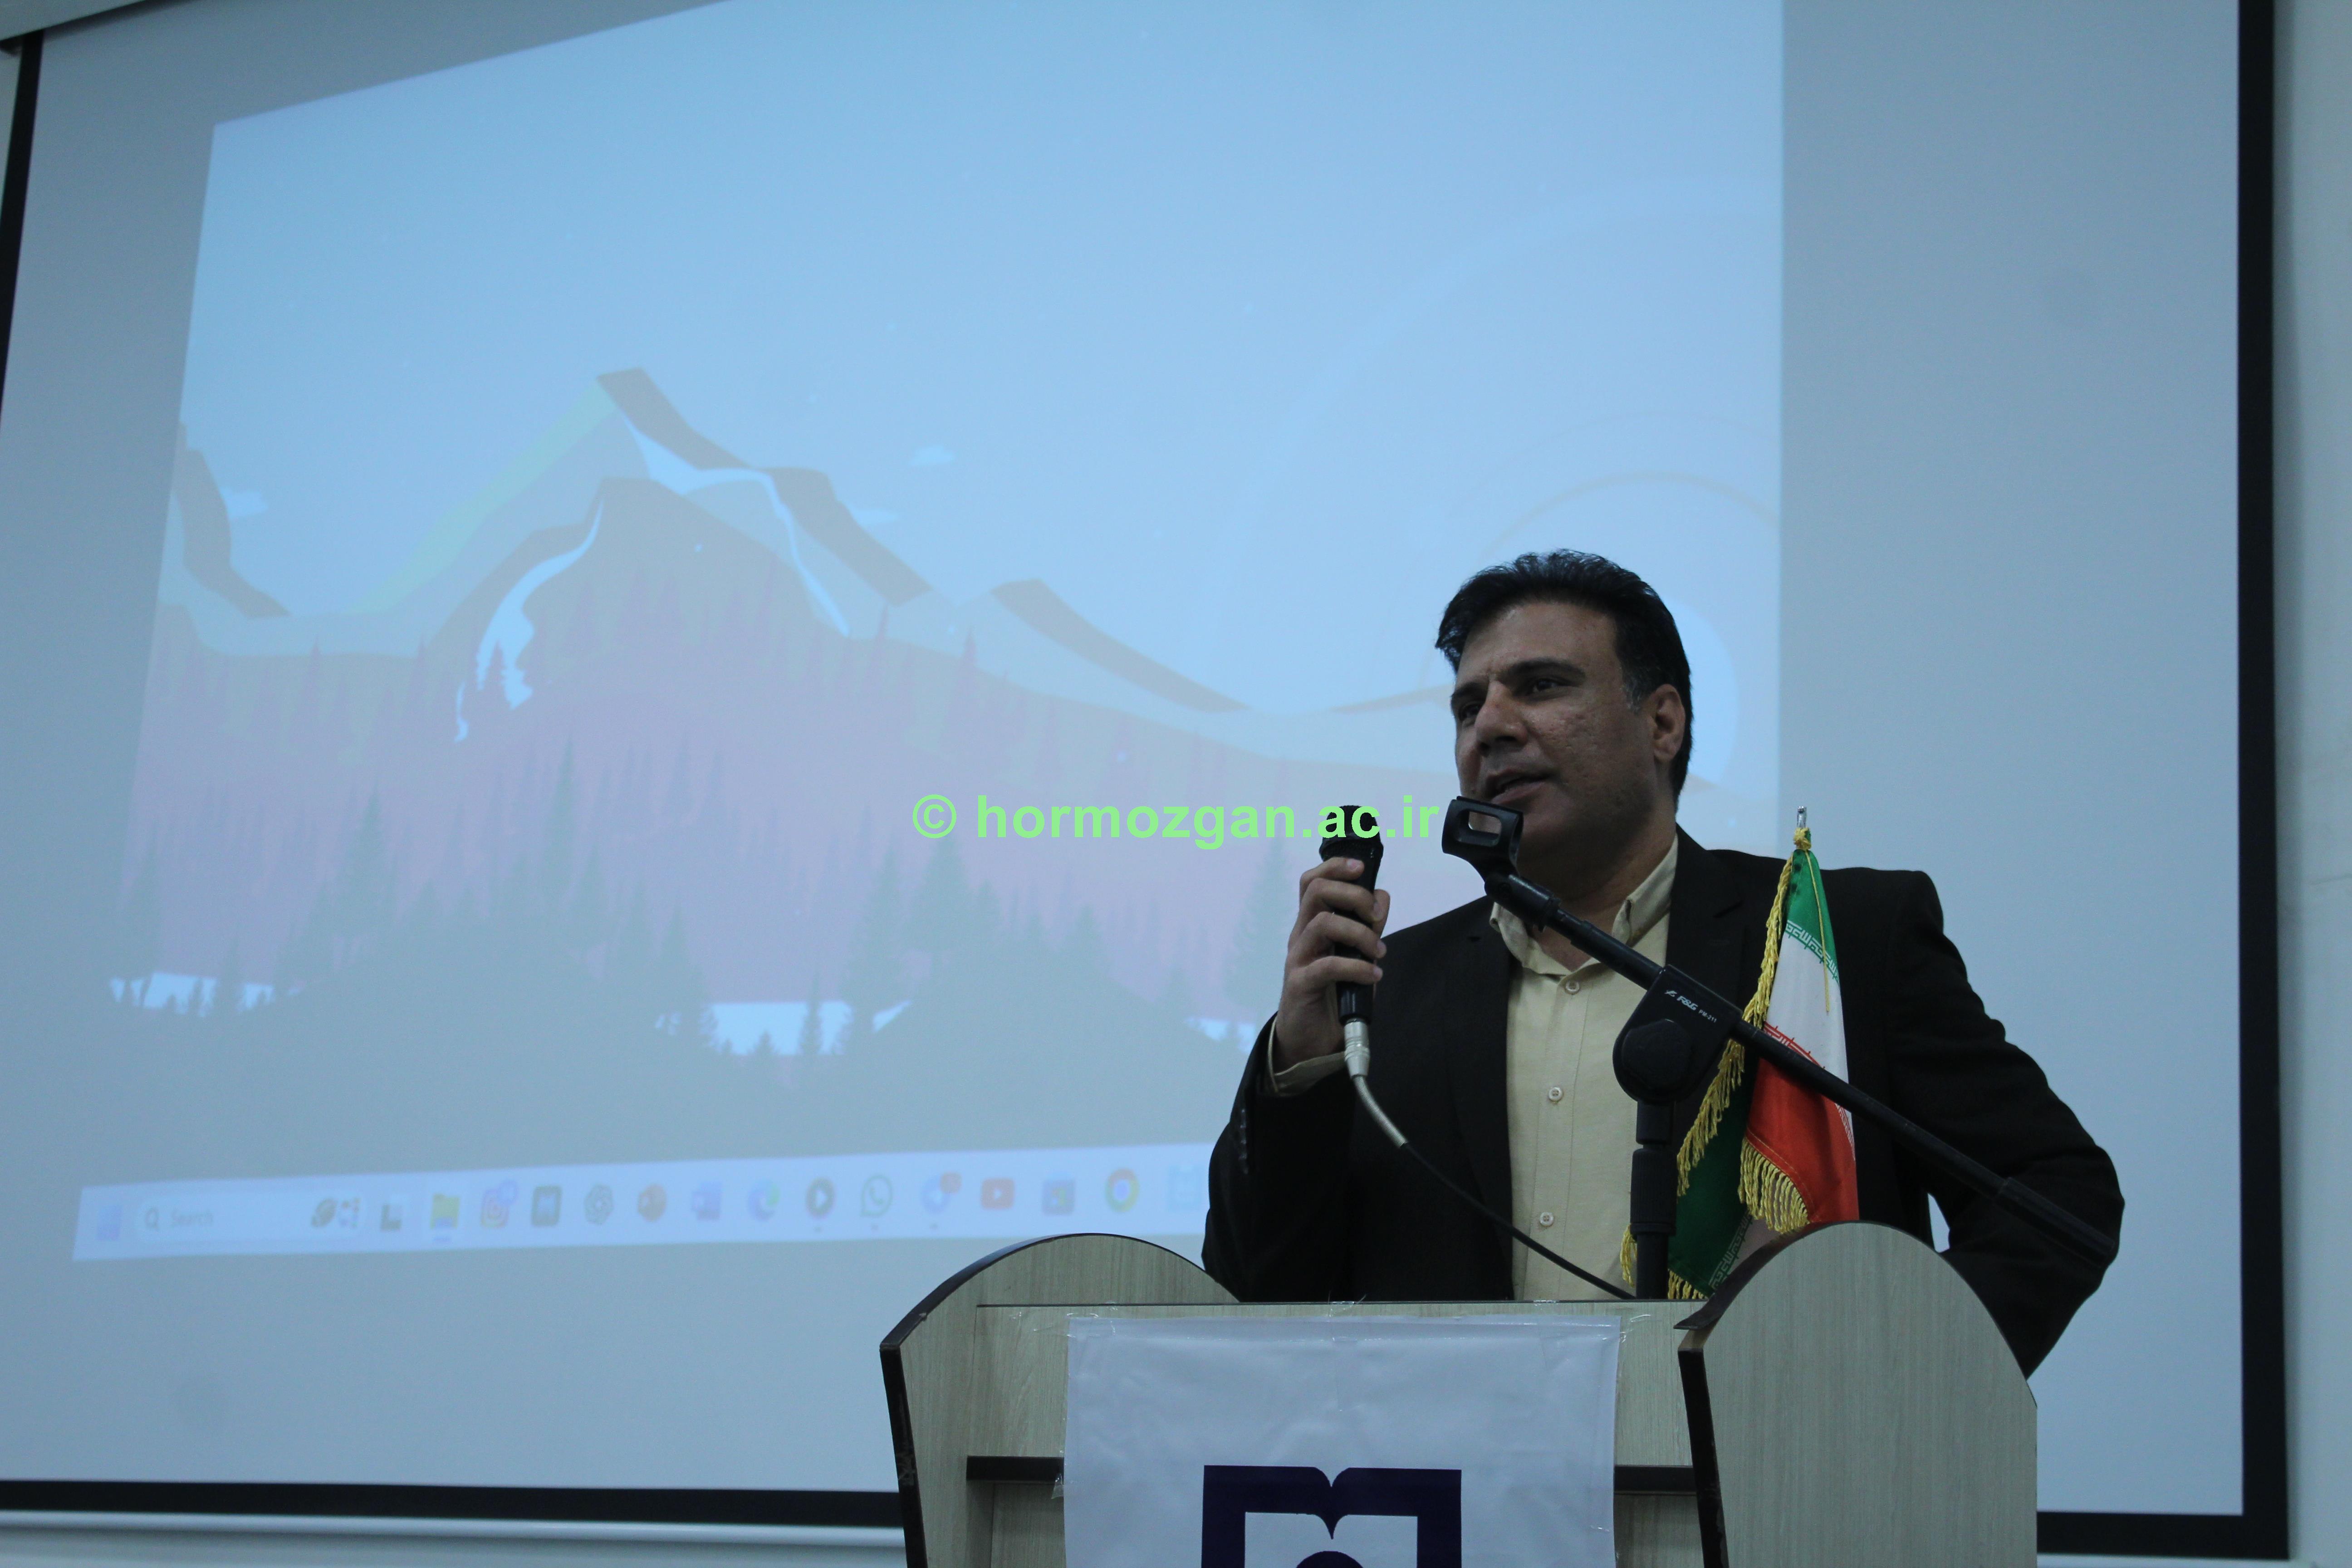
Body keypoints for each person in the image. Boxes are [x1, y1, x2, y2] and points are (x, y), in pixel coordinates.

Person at [1201, 550, 2122, 1373]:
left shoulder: (1829, 940)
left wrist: (1897, 1380)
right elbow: (1255, 1290)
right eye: (1468, 706)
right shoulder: (1383, 989)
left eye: (1541, 686)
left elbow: (2056, 1201)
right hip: (1472, 1490)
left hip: (1765, 1486)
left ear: (1664, 723)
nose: (1491, 726)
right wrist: (1301, 1066)